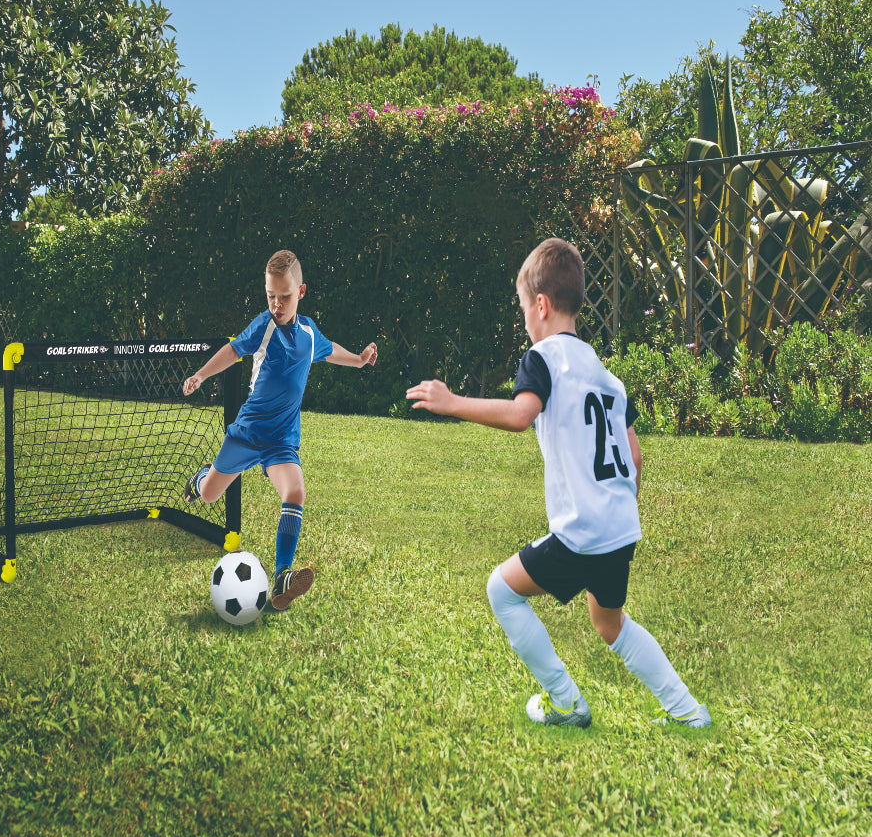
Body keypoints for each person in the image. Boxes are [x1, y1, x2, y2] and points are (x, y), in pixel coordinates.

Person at [406, 238, 711, 729]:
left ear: (541, 306)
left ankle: (565, 703)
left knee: (502, 591)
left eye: (524, 307)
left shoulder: (542, 357)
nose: (525, 317)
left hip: (583, 531)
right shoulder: (608, 376)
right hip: (619, 528)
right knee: (610, 625)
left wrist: (452, 400)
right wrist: (617, 508)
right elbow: (633, 455)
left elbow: (521, 415)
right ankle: (688, 712)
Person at [183, 249, 377, 611]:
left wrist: (359, 360)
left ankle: (282, 576)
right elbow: (232, 351)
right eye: (271, 296)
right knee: (210, 495)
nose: (277, 304)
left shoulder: (307, 331)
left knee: (295, 491)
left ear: (300, 292)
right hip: (247, 435)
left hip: (281, 441)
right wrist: (201, 374)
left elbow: (328, 349)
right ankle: (200, 479)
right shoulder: (264, 326)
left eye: (284, 297)